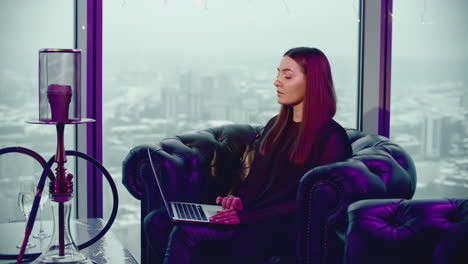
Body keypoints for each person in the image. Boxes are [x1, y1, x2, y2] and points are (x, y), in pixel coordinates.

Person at [144, 47, 353, 264]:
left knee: (185, 233)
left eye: (287, 75)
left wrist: (247, 217)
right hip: (251, 217)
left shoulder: (331, 137)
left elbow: (310, 205)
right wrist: (238, 201)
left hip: (277, 230)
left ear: (313, 82)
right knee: (157, 221)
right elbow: (260, 182)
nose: (277, 82)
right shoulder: (276, 125)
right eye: (278, 73)